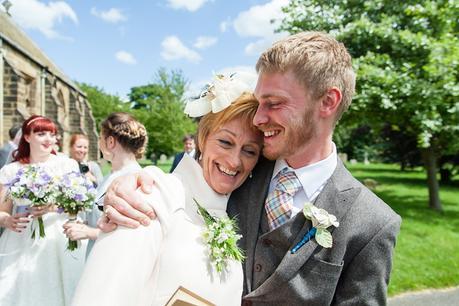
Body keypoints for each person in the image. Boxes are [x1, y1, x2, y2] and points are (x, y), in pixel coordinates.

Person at [101, 32, 402, 305]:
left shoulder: (373, 224)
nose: (258, 119)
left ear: (327, 101)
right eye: (259, 103)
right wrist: (137, 181)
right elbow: (188, 186)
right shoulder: (242, 168)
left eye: (273, 103)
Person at [71, 84, 263, 305]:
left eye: (249, 151)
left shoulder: (234, 211)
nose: (234, 161)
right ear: (203, 138)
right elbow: (102, 295)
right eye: (225, 142)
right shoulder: (152, 196)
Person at [0, 115, 87, 306]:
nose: (49, 139)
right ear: (27, 137)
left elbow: (80, 204)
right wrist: (7, 220)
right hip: (20, 239)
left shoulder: (67, 165)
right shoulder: (11, 171)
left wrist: (52, 207)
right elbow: (2, 211)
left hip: (59, 237)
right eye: (41, 134)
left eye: (52, 134)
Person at [63, 113, 148, 257]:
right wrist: (84, 223)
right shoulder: (109, 176)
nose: (99, 144)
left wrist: (88, 232)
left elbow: (131, 230)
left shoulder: (133, 179)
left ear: (110, 142)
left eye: (100, 138)